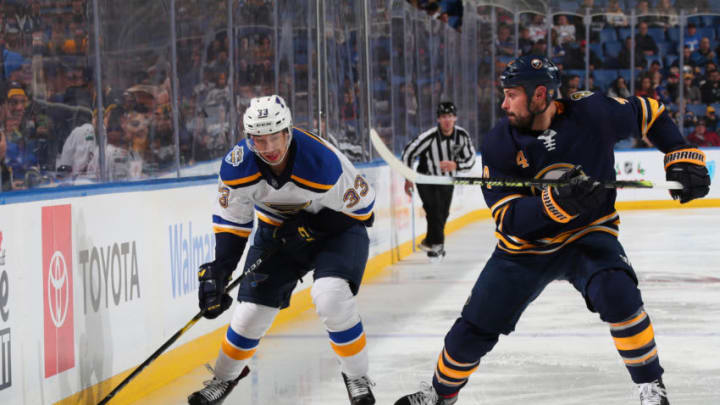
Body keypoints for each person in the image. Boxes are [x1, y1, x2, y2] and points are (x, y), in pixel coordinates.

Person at [394, 55, 710, 405]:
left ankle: (652, 387)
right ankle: (440, 394)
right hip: (524, 248)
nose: (504, 103)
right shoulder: (500, 142)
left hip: (588, 233)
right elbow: (508, 217)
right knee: (473, 329)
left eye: (512, 94)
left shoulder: (592, 112)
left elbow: (651, 112)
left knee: (618, 292)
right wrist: (557, 203)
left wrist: (679, 152)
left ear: (540, 94)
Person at [187, 95, 377, 405]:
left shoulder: (321, 162)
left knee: (330, 298)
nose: (269, 148)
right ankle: (224, 378)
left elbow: (365, 212)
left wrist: (310, 227)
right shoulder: (237, 166)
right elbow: (233, 224)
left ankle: (356, 376)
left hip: (337, 232)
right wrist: (220, 271)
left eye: (275, 137)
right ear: (250, 139)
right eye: (259, 140)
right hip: (278, 232)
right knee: (250, 314)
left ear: (287, 131)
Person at [401, 101, 476, 261]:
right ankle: (438, 247)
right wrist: (408, 178)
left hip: (447, 180)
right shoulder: (429, 137)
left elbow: (471, 160)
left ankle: (430, 241)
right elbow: (408, 152)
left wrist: (456, 164)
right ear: (438, 119)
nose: (447, 120)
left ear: (455, 118)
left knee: (442, 213)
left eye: (450, 116)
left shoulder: (462, 136)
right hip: (425, 178)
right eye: (443, 117)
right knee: (434, 208)